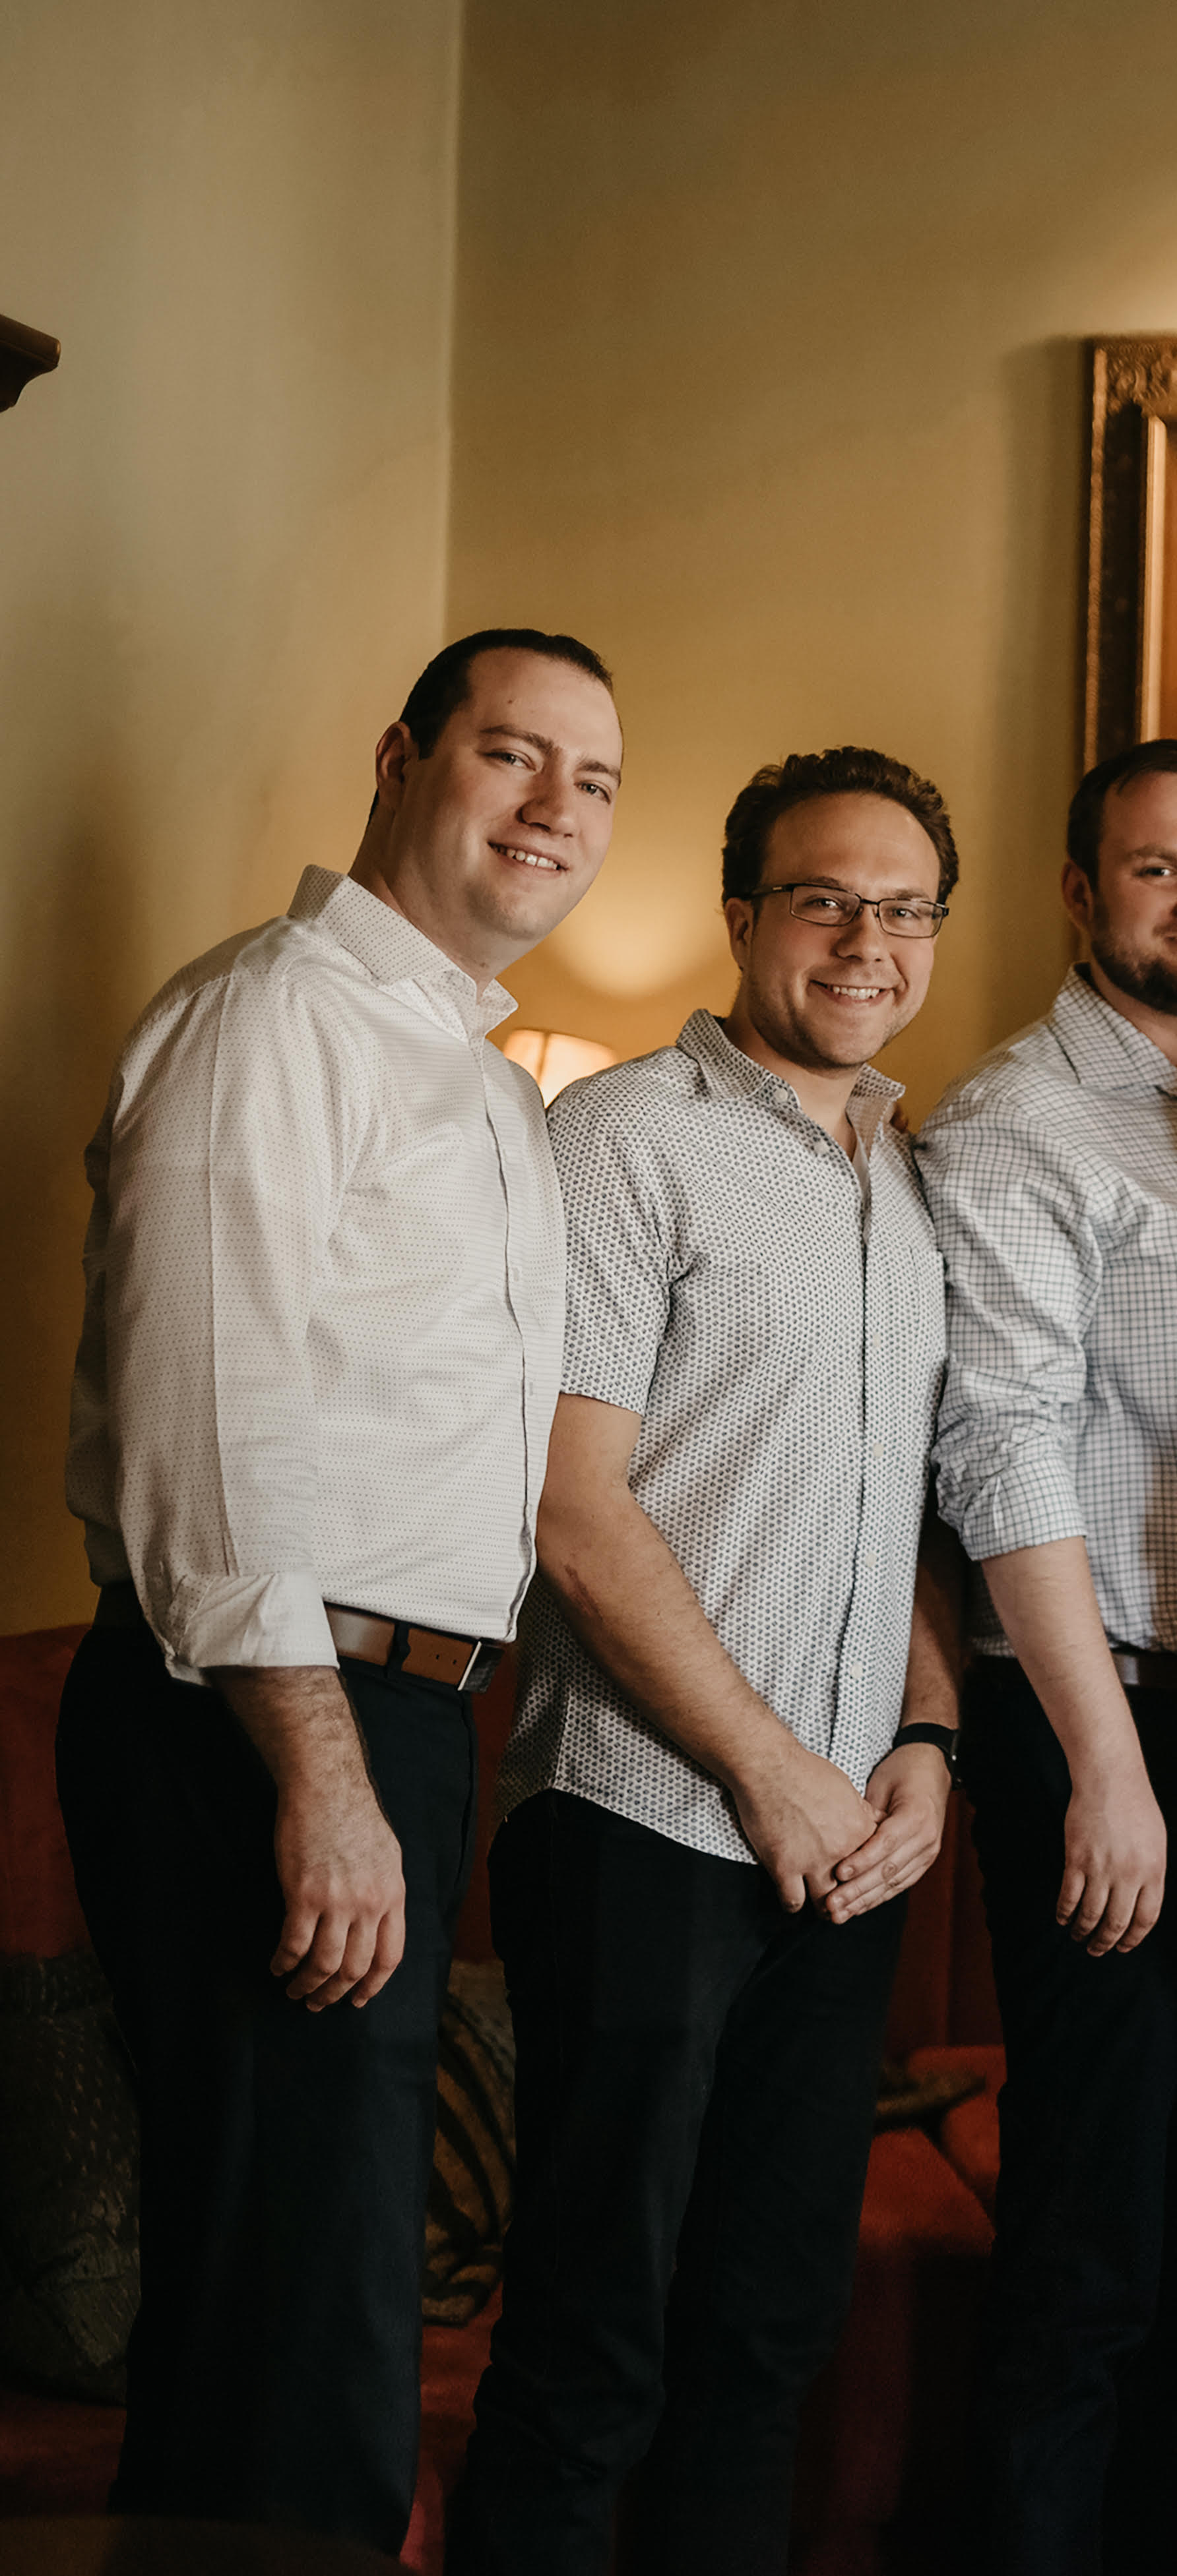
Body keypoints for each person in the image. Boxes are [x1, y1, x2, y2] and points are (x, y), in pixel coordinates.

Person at [58, 629, 621, 2550]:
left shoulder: (465, 1070)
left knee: (288, 2316)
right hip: (261, 1709)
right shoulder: (278, 1018)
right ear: (399, 758)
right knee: (299, 2342)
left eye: (598, 781)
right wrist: (320, 1773)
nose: (558, 809)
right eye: (513, 754)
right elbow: (206, 1434)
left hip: (390, 1708)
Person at [449, 747, 965, 2575]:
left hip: (844, 1861)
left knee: (762, 2343)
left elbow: (897, 1509)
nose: (866, 940)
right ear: (744, 912)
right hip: (646, 1827)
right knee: (592, 2343)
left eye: (904, 907)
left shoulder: (904, 1180)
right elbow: (574, 1510)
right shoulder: (619, 1139)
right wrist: (769, 1765)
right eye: (824, 897)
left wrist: (926, 1729)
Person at [920, 738, 1177, 2573]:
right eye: (1156, 870)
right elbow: (1002, 1448)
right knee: (1088, 2245)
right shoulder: (1014, 1125)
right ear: (1081, 896)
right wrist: (1110, 1772)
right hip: (1096, 1720)